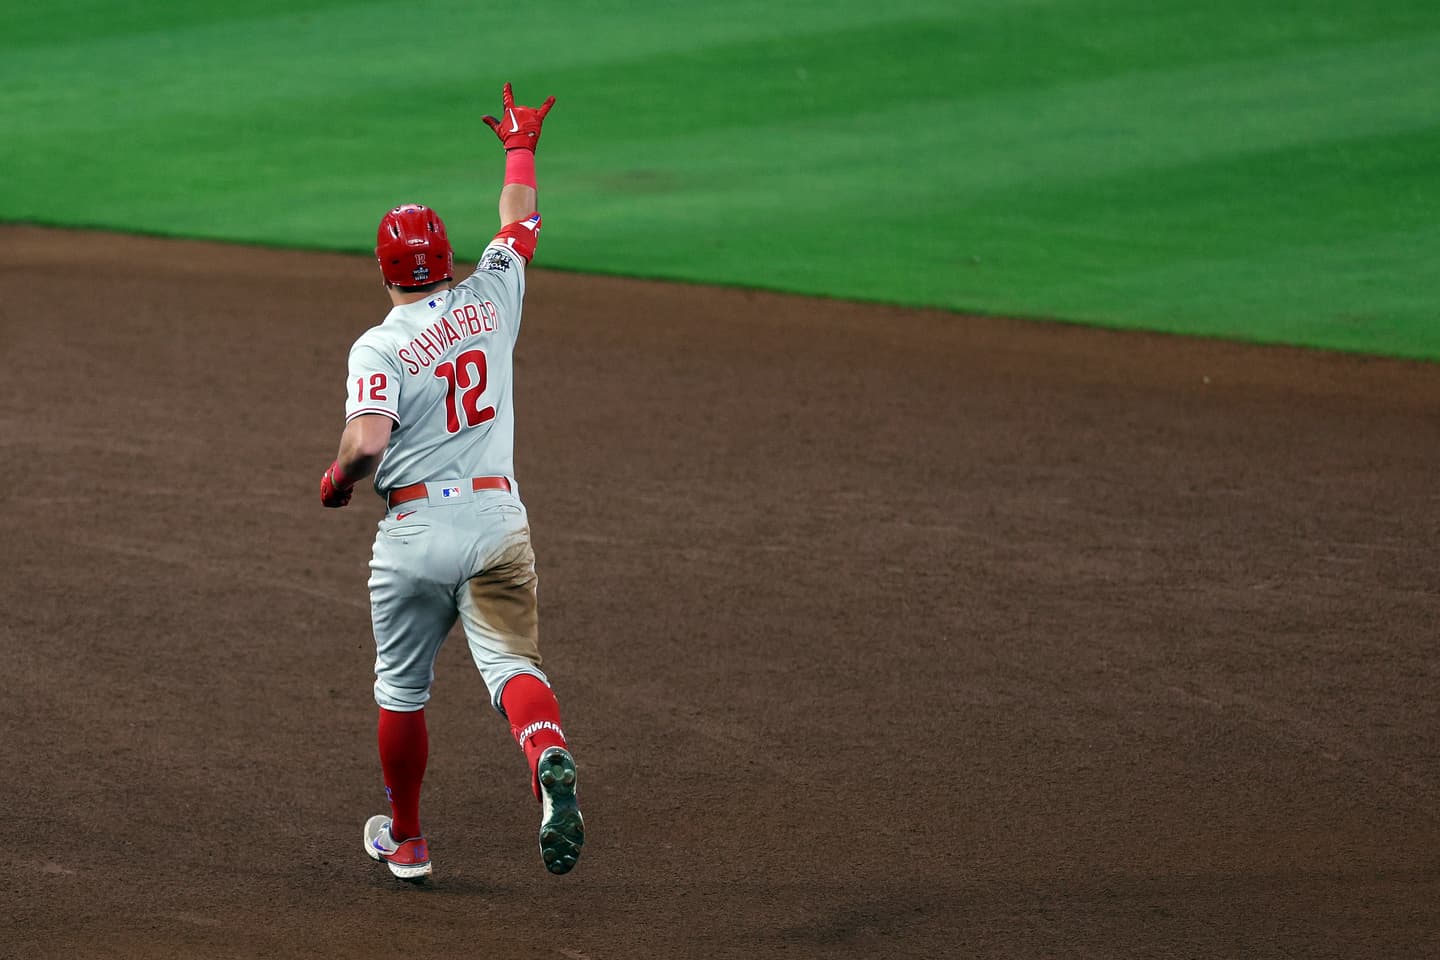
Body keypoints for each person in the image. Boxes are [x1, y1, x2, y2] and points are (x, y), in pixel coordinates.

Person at [318, 83, 582, 881]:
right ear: (444, 257)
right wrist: (519, 143)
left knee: (402, 691)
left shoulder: (379, 346)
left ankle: (408, 839)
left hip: (415, 536)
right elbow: (519, 219)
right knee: (515, 671)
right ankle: (547, 754)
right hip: (498, 519)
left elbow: (367, 442)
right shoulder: (493, 292)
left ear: (384, 268)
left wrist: (336, 477)